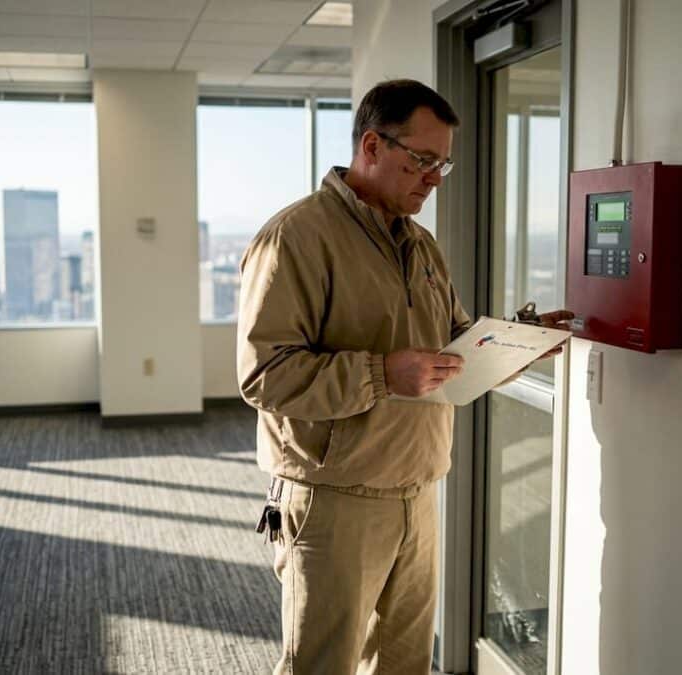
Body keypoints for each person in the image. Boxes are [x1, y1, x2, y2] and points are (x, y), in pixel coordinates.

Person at [236, 79, 571, 674]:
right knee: (323, 664)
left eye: (442, 162)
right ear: (371, 145)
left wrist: (519, 343)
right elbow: (265, 374)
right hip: (334, 499)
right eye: (422, 160)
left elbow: (453, 344)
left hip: (417, 490)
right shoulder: (296, 238)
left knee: (404, 663)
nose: (435, 177)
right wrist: (383, 374)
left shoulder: (422, 244)